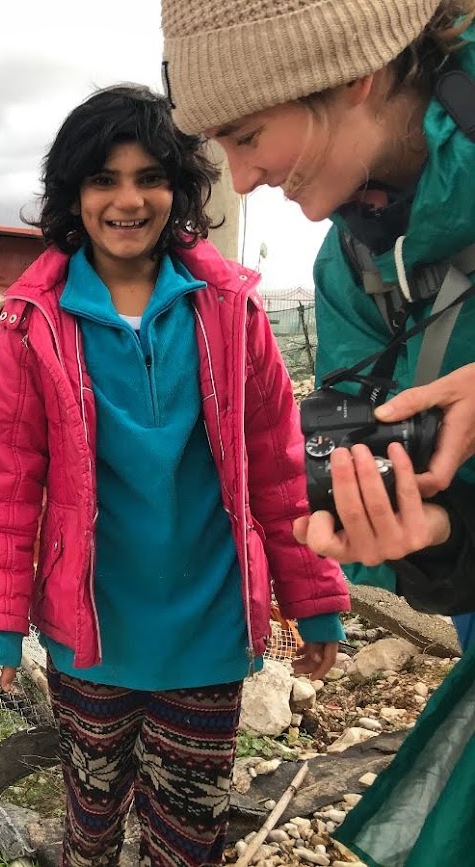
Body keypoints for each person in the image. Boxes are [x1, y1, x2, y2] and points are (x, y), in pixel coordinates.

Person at [0, 84, 350, 867]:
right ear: (74, 194)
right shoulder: (35, 323)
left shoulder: (230, 311)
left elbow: (277, 470)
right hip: (92, 638)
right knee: (92, 823)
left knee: (188, 834)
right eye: (104, 179)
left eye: (149, 177)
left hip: (207, 632)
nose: (127, 199)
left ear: (180, 188)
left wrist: (314, 600)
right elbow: (8, 487)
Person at [161, 0, 475, 640]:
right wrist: (437, 536)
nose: (242, 178)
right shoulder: (355, 266)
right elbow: (417, 483)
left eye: (246, 136)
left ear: (353, 74)